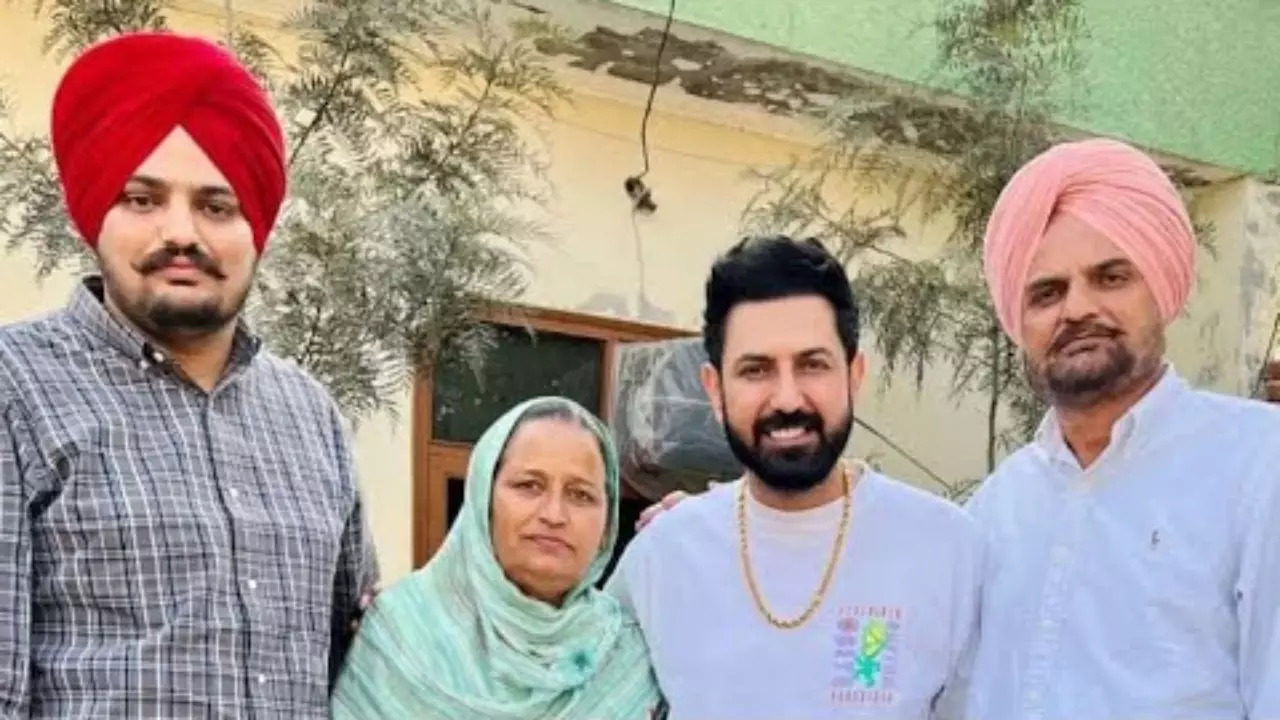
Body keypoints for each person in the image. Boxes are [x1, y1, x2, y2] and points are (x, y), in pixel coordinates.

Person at [0, 32, 377, 717]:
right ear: (95, 216)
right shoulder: (14, 388)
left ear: (254, 226)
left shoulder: (311, 417)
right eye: (143, 200)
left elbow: (361, 668)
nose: (183, 233)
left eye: (216, 205)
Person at [962, 137, 1280, 720]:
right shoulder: (992, 511)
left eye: (1110, 278)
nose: (1076, 309)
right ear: (1019, 322)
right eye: (1047, 293)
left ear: (1160, 290)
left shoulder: (1260, 466)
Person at [607, 236, 982, 719]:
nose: (787, 398)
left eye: (812, 365)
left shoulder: (947, 550)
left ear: (854, 375)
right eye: (756, 369)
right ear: (715, 390)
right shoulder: (661, 560)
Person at [330, 397, 663, 719]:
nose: (554, 514)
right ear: (482, 500)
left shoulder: (630, 655)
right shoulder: (401, 633)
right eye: (529, 485)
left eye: (580, 494)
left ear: (607, 525)